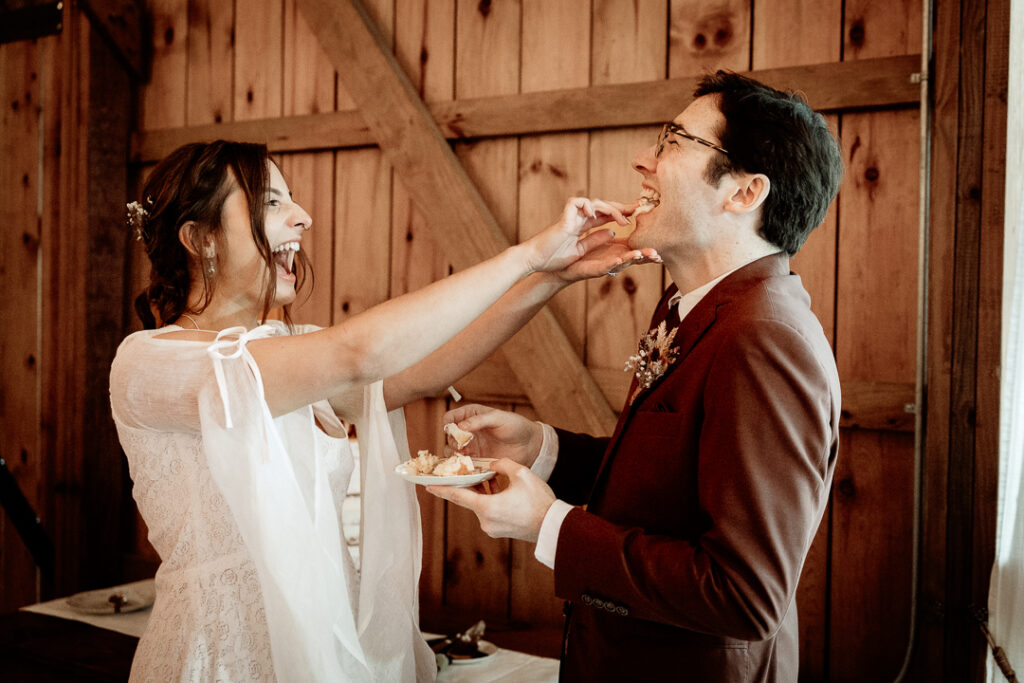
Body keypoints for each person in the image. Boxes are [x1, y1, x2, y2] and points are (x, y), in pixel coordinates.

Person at [109, 140, 659, 682]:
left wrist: (552, 277)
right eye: (271, 203)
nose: (302, 218)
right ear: (200, 238)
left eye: (291, 199)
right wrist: (526, 255)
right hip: (225, 654)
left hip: (333, 643)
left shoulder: (286, 349)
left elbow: (429, 366)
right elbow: (358, 355)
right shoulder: (152, 365)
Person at [428, 71, 845, 682]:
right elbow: (675, 491)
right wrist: (545, 451)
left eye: (673, 143)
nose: (642, 161)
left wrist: (550, 526)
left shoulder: (765, 339)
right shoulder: (693, 305)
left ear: (745, 192)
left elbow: (745, 594)